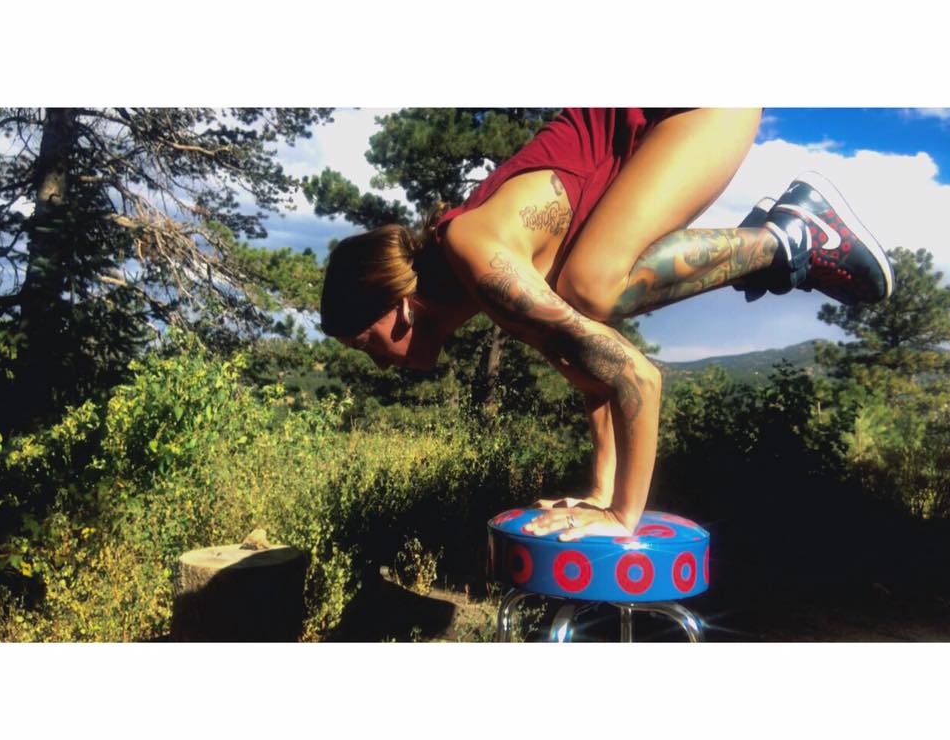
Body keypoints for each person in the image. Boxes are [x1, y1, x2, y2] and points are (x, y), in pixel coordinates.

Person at [319, 108, 894, 542]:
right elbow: (585, 369)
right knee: (583, 297)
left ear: (396, 306)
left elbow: (635, 378)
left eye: (366, 345)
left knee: (591, 284)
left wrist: (622, 515)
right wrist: (599, 488)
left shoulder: (476, 254)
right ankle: (776, 237)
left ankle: (790, 236)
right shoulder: (483, 276)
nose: (376, 362)